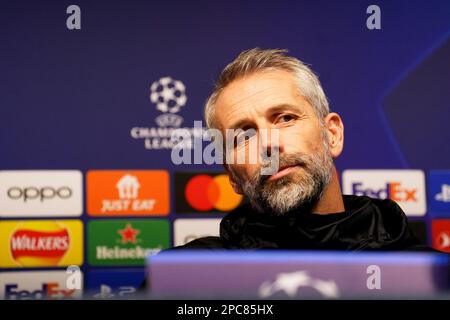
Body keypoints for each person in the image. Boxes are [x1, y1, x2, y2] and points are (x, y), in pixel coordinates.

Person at [176, 48, 429, 251]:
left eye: (285, 118)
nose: (268, 145)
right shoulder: (183, 282)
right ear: (232, 175)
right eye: (244, 136)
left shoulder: (432, 277)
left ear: (332, 134)